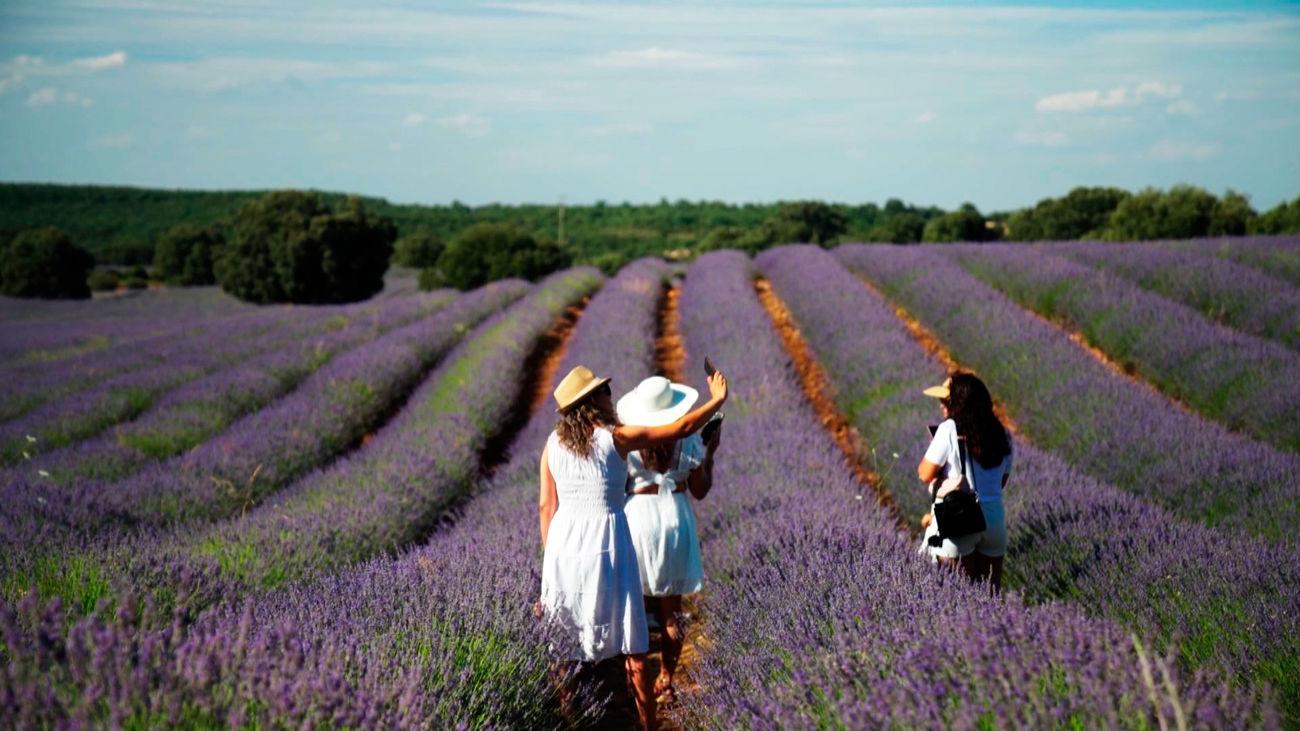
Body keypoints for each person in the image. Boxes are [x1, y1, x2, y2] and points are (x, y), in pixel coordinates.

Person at [539, 365, 727, 731]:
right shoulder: (617, 438)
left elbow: (547, 507)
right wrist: (716, 399)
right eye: (605, 391)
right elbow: (681, 428)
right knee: (632, 641)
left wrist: (551, 567)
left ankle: (571, 721)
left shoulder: (551, 444)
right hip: (608, 541)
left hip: (563, 548)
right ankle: (647, 724)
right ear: (592, 402)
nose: (611, 396)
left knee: (565, 645)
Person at [617, 376, 722, 705]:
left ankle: (636, 684)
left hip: (638, 517)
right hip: (675, 516)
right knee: (672, 610)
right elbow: (700, 490)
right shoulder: (688, 440)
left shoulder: (629, 439)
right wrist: (710, 453)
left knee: (634, 606)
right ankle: (665, 679)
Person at [916, 372, 1013, 591]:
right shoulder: (1003, 434)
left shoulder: (948, 429)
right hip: (994, 520)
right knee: (990, 596)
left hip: (959, 519)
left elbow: (924, 473)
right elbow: (1001, 482)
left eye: (946, 400)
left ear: (958, 402)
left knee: (955, 596)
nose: (942, 405)